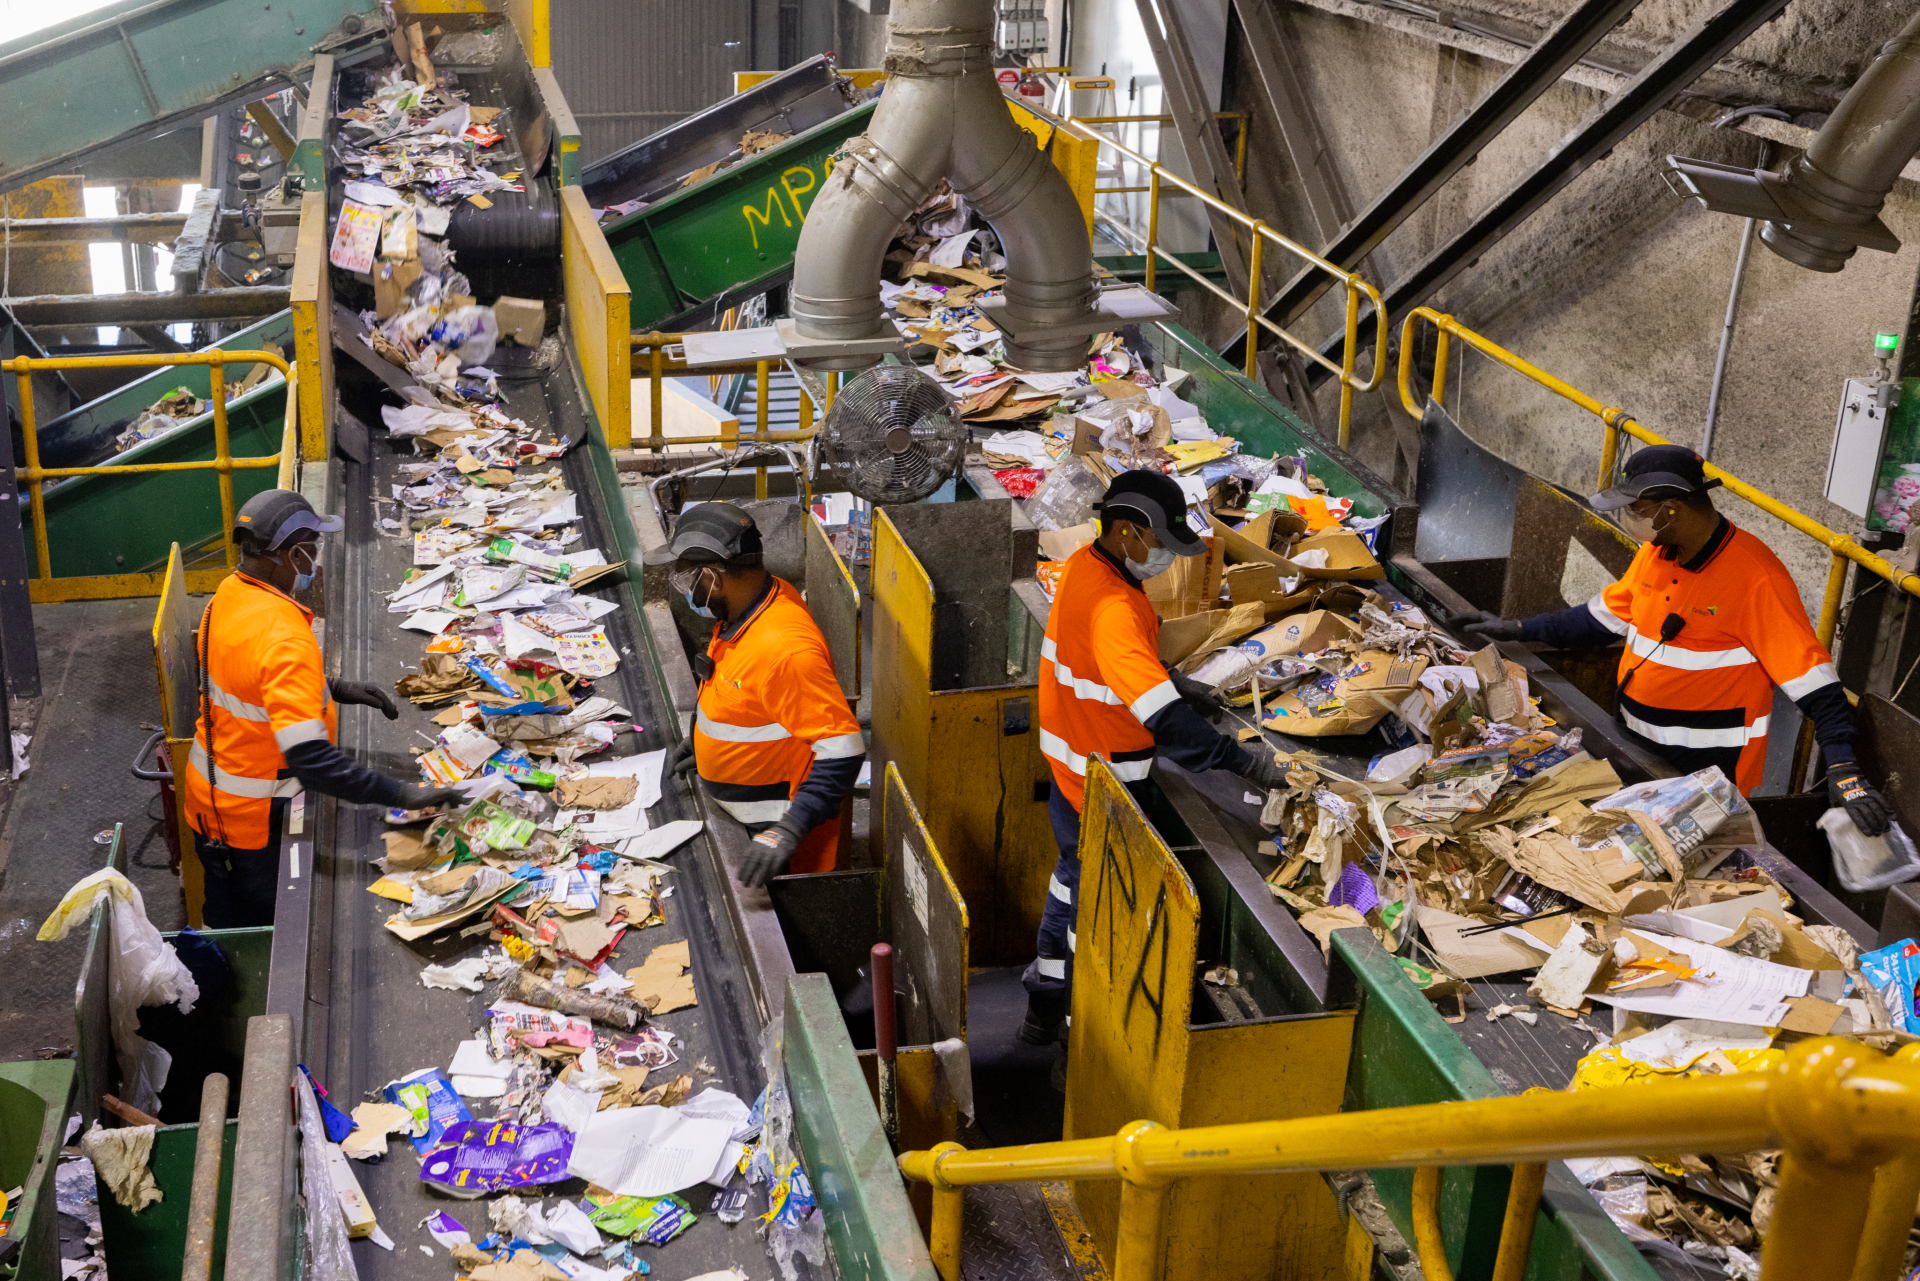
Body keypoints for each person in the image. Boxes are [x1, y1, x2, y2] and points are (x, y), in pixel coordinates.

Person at [1454, 444, 1892, 831]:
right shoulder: (1655, 555)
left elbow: (1815, 683)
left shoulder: (1756, 578)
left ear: (1671, 509)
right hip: (1636, 745)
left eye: (1637, 508)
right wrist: (1517, 628)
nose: (1631, 518)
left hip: (1708, 771)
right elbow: (1600, 619)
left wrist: (1844, 768)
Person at [1022, 470, 1290, 1045]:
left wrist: (1168, 679)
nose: (1165, 557)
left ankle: (1042, 1008)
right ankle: (1075, 1040)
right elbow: (1165, 722)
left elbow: (1106, 667)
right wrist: (1247, 763)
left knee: (1069, 885)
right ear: (1126, 532)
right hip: (1105, 788)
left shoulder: (1085, 568)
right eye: (1160, 544)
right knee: (1090, 913)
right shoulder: (1113, 604)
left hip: (1075, 770)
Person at [184, 490, 463, 928]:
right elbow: (312, 763)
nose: (316, 560)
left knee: (223, 914)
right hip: (252, 822)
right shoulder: (283, 635)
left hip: (210, 800)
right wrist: (401, 794)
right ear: (292, 556)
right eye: (313, 549)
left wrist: (332, 687)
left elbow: (243, 677)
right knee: (261, 931)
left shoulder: (230, 593)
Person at [647, 503, 866, 886]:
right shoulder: (747, 607)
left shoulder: (784, 649)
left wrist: (788, 830)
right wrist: (701, 738)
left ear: (714, 578)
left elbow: (844, 750)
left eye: (686, 578)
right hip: (739, 822)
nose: (683, 589)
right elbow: (738, 685)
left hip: (776, 852)